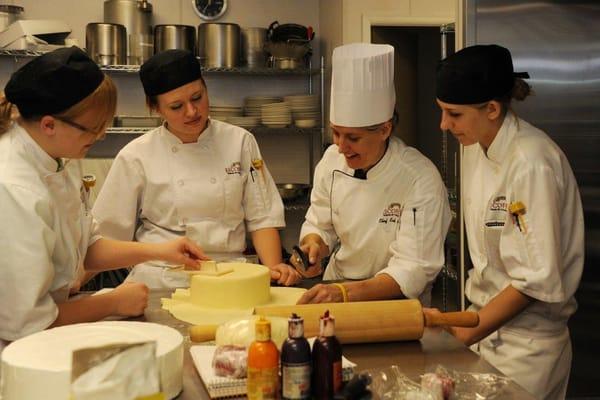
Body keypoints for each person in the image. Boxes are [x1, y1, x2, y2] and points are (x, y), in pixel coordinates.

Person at [0, 47, 206, 352]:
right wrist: (113, 301)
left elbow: (86, 248)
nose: (100, 136)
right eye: (93, 128)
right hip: (19, 351)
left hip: (49, 328)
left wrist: (162, 251)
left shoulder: (59, 155)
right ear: (48, 124)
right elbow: (30, 322)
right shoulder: (13, 189)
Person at [435, 44, 584, 399]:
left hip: (526, 349)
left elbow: (535, 280)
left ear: (491, 109)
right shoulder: (475, 147)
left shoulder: (531, 161)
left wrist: (465, 332)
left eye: (453, 114)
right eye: (442, 112)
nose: (444, 125)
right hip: (484, 331)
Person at [92, 49, 300, 289]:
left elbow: (262, 216)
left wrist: (274, 269)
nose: (192, 112)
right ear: (155, 108)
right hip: (160, 280)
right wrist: (74, 284)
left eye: (197, 97)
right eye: (177, 106)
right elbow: (106, 236)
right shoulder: (136, 155)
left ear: (206, 88)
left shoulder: (240, 142)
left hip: (229, 275)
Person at [297, 43, 451, 305]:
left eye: (353, 137)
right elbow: (320, 223)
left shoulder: (419, 178)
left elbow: (413, 268)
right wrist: (313, 246)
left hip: (393, 304)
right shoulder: (332, 161)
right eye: (336, 132)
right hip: (335, 289)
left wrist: (346, 293)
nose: (340, 146)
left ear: (384, 130)